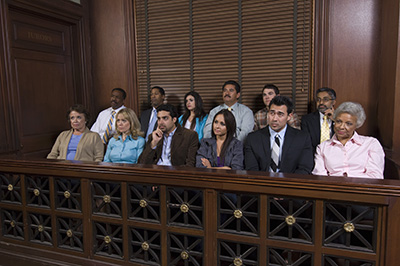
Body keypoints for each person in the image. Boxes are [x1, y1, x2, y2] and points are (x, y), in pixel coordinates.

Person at [313, 102, 385, 178]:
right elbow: (320, 177)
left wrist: (350, 183)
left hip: (362, 188)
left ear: (357, 125)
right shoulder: (323, 147)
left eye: (348, 124)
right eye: (339, 121)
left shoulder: (371, 144)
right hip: (333, 188)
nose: (341, 127)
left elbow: (376, 176)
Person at [245, 96, 313, 174]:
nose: (274, 119)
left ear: (289, 116)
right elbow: (252, 170)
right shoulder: (253, 138)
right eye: (272, 113)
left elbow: (304, 169)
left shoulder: (302, 138)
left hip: (290, 183)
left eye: (280, 114)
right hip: (261, 183)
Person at [301, 87, 336, 152]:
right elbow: (306, 144)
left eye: (325, 99)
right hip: (314, 157)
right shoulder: (307, 120)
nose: (321, 102)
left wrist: (335, 120)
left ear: (333, 102)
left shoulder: (340, 119)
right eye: (318, 100)